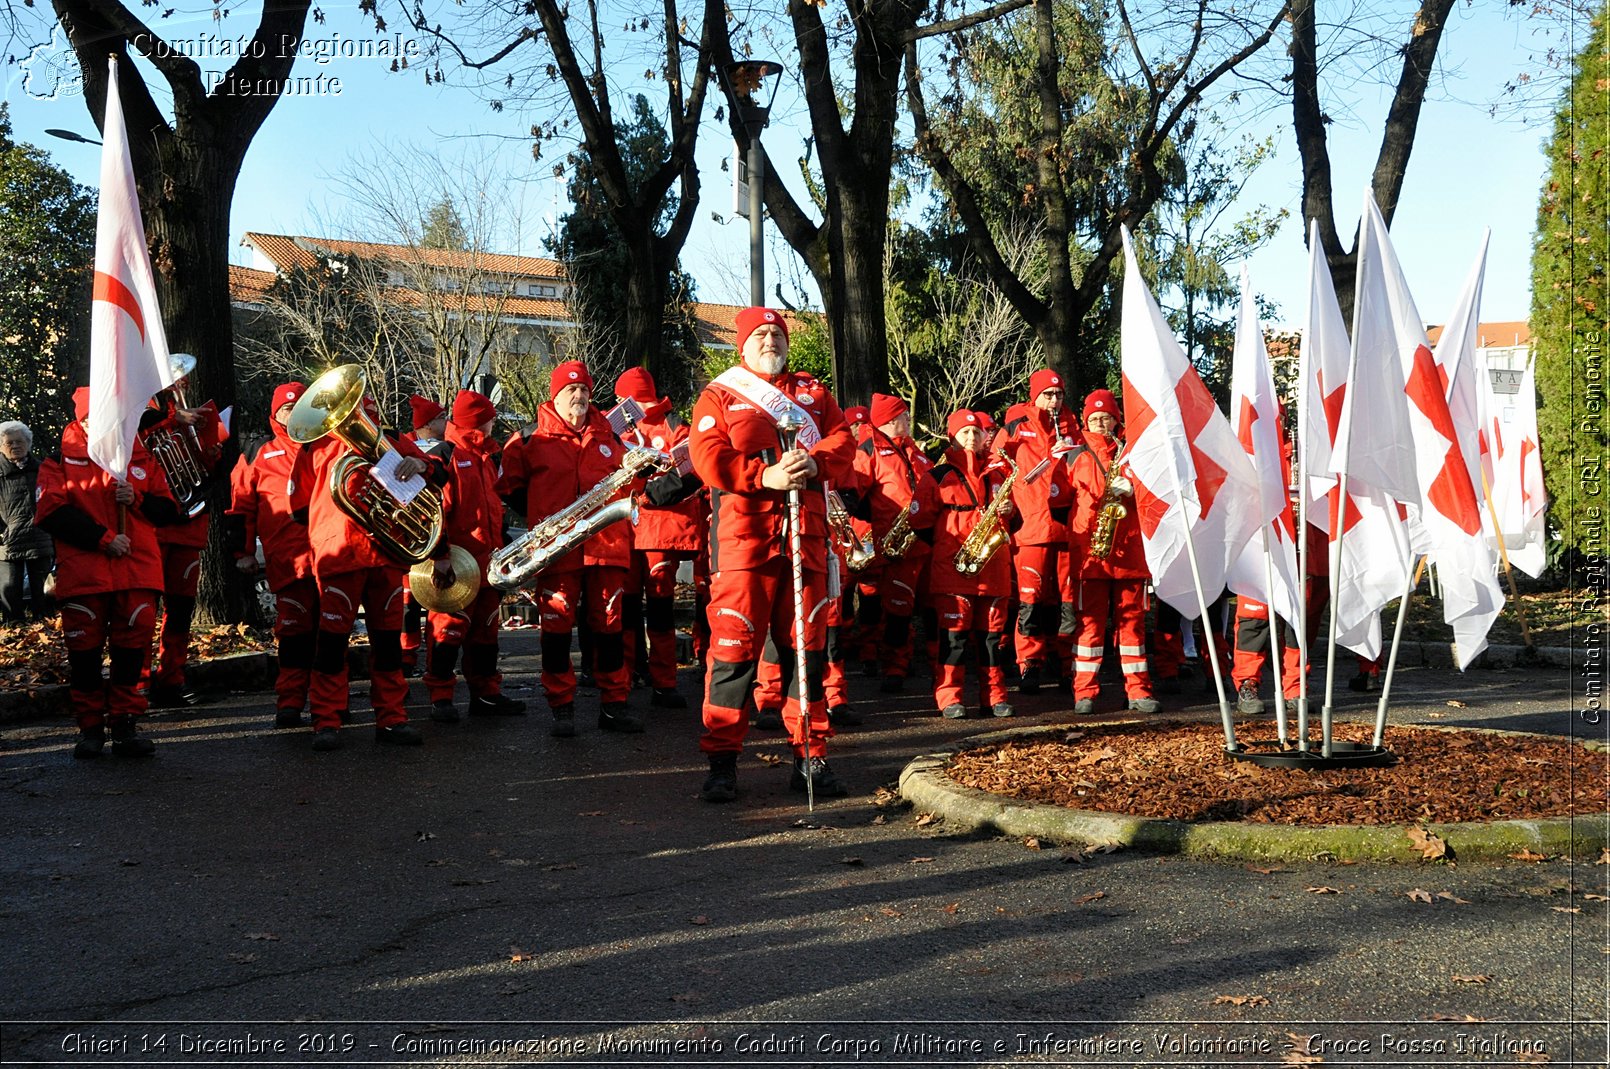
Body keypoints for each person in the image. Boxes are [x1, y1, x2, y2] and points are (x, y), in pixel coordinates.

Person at [689, 306, 856, 802]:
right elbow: (708, 457)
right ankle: (722, 763)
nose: (769, 342)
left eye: (776, 335)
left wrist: (814, 461)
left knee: (807, 652)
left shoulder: (815, 395)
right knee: (733, 653)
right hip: (744, 545)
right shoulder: (719, 394)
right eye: (760, 335)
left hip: (805, 543)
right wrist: (764, 476)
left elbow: (843, 441)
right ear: (743, 345)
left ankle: (811, 756)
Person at [289, 385, 445, 751]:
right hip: (340, 553)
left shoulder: (389, 439)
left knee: (388, 642)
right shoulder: (314, 446)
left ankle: (391, 719)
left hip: (384, 555)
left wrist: (421, 464)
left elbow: (438, 475)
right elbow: (297, 507)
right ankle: (326, 720)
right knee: (330, 642)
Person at [35, 387, 181, 757]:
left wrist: (138, 499)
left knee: (131, 655)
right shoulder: (58, 461)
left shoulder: (141, 456)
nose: (94, 424)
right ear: (78, 419)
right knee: (84, 656)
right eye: (88, 418)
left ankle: (125, 724)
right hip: (85, 575)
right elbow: (51, 514)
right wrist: (104, 540)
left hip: (136, 573)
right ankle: (90, 729)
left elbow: (169, 511)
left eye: (100, 417)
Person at [497, 360, 639, 737]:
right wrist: (544, 517)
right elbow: (508, 487)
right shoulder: (528, 439)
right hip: (556, 549)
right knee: (556, 629)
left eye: (584, 390)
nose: (578, 396)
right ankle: (561, 705)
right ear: (554, 395)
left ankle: (614, 704)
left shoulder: (611, 437)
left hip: (606, 546)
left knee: (610, 627)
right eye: (570, 390)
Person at [423, 390, 526, 722]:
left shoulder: (485, 456)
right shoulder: (449, 454)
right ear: (481, 420)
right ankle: (440, 697)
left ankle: (486, 694)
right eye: (491, 417)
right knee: (447, 633)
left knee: (486, 635)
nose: (495, 422)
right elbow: (435, 511)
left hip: (488, 564)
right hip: (455, 565)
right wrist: (440, 557)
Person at [226, 383, 319, 728]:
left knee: (330, 635)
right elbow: (240, 507)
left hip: (331, 558)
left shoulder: (326, 446)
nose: (293, 415)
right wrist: (243, 552)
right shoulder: (257, 453)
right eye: (286, 409)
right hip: (288, 560)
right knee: (294, 635)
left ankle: (329, 704)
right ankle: (290, 703)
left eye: (299, 408)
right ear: (275, 413)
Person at [613, 367, 706, 711]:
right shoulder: (617, 428)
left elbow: (691, 471)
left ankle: (647, 682)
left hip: (652, 529)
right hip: (632, 529)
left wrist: (649, 495)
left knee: (648, 610)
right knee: (639, 610)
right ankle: (644, 681)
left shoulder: (674, 427)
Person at [139, 357, 228, 708]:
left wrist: (212, 454)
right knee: (144, 609)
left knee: (181, 609)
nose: (184, 384)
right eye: (178, 379)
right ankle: (138, 681)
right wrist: (173, 419)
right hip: (154, 526)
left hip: (188, 523)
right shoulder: (144, 411)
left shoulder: (184, 414)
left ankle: (171, 676)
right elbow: (133, 435)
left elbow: (202, 470)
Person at [1067, 388, 1160, 714]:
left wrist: (1134, 491)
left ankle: (1139, 691)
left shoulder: (1134, 453)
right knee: (1089, 627)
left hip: (1130, 555)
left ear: (1116, 419)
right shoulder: (1073, 455)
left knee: (1132, 628)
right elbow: (1057, 503)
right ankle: (1084, 693)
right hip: (1090, 557)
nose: (1100, 423)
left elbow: (1155, 496)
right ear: (1085, 421)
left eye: (1106, 417)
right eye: (1094, 418)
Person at [992, 369, 1076, 693]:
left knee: (1067, 603)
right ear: (1035, 396)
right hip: (1030, 527)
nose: (1054, 401)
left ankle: (1067, 664)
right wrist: (1004, 505)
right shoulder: (1016, 426)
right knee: (1031, 603)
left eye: (1058, 394)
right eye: (1048, 395)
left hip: (1067, 529)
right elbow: (995, 468)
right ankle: (1030, 665)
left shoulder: (1072, 428)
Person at [929, 409, 1015, 719]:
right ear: (952, 437)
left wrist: (1008, 509)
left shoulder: (999, 474)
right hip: (953, 567)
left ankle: (995, 696)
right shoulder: (937, 476)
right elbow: (920, 521)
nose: (971, 438)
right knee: (953, 638)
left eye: (976, 433)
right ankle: (949, 697)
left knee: (991, 639)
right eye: (964, 433)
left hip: (992, 567)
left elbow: (1015, 523)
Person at [854, 392, 938, 693]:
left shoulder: (913, 449)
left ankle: (938, 667)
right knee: (898, 612)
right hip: (896, 546)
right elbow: (854, 496)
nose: (908, 418)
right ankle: (894, 668)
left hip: (926, 542)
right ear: (890, 420)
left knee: (932, 609)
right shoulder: (868, 451)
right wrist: (882, 522)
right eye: (903, 414)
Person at [401, 395, 449, 675]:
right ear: (429, 424)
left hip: (425, 536)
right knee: (408, 606)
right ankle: (407, 658)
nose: (447, 422)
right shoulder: (422, 449)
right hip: (412, 536)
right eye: (442, 418)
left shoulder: (433, 450)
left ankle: (411, 658)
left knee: (421, 604)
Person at [0, 420, 53, 622]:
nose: (15, 446)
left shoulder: (42, 468)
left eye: (19, 441)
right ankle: (14, 627)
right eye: (9, 442)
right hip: (7, 540)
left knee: (42, 588)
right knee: (9, 589)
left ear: (29, 443)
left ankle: (44, 624)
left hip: (40, 536)